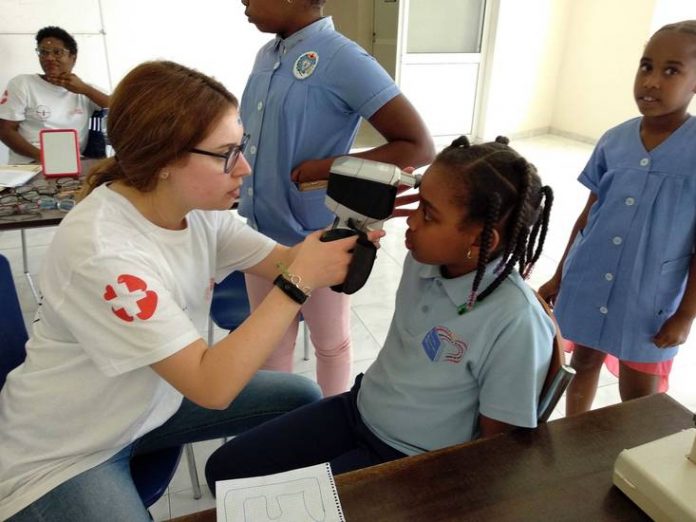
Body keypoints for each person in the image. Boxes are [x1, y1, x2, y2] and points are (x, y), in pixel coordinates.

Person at [0, 60, 383, 522]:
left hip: (153, 401)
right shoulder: (103, 253)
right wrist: (299, 278)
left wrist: (345, 236)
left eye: (241, 147)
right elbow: (212, 386)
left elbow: (282, 260)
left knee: (300, 397)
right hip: (68, 448)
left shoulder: (197, 210)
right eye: (226, 154)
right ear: (163, 160)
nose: (244, 167)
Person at [205, 136, 555, 489]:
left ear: (481, 241)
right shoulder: (423, 264)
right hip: (360, 409)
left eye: (429, 215)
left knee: (275, 504)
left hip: (412, 459)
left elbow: (498, 452)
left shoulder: (516, 323)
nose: (412, 222)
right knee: (224, 471)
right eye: (418, 204)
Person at [238, 0, 435, 396]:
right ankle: (278, 433)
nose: (242, 1)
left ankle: (331, 420)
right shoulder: (268, 54)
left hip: (318, 234)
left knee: (330, 342)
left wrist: (328, 167)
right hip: (261, 234)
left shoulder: (343, 58)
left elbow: (418, 145)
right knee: (271, 343)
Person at [538, 20, 696, 415]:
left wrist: (685, 314)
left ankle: (632, 464)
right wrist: (560, 275)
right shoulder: (614, 140)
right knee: (582, 363)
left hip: (649, 297)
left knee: (639, 394)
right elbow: (588, 216)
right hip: (589, 278)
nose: (653, 81)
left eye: (671, 71)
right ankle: (575, 439)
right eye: (646, 66)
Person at [0, 26, 110, 164]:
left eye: (57, 52)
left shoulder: (85, 89)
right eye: (43, 52)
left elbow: (120, 106)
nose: (49, 58)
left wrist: (85, 90)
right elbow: (5, 131)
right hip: (30, 165)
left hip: (72, 163)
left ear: (73, 57)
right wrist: (46, 158)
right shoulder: (23, 83)